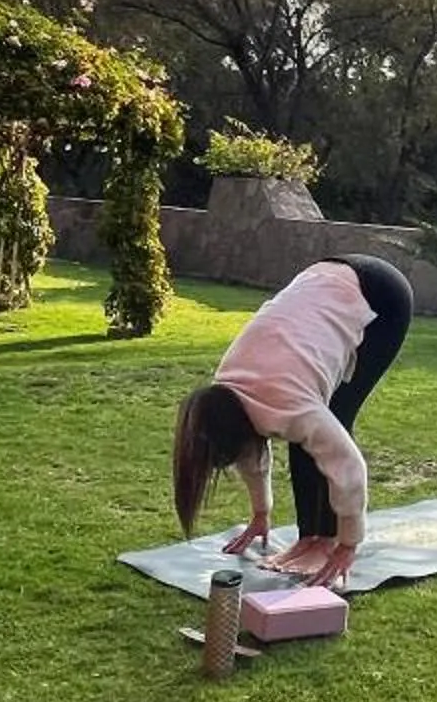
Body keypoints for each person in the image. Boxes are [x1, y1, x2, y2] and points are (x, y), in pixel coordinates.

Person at [173, 254, 416, 593]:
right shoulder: (225, 394)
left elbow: (348, 466)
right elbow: (250, 454)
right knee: (308, 427)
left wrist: (349, 543)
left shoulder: (288, 404)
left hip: (381, 295)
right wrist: (261, 514)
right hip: (325, 278)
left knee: (333, 418)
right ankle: (311, 539)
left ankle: (325, 542)